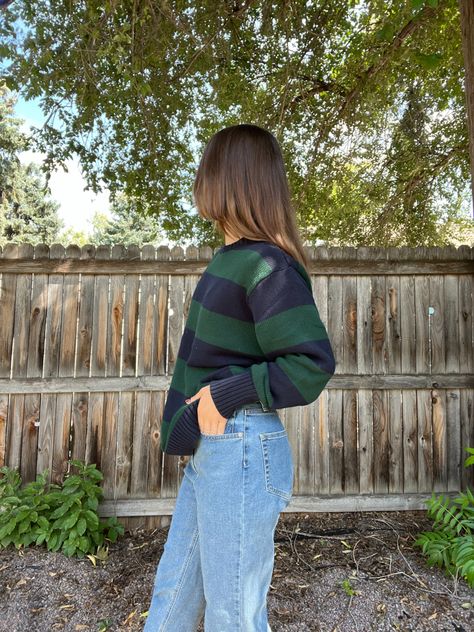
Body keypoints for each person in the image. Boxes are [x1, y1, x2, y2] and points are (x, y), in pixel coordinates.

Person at [144, 123, 336, 631]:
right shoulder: (228, 261)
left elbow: (310, 364)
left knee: (233, 615)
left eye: (206, 167)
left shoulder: (266, 264)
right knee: (173, 595)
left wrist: (224, 397)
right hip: (218, 450)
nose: (198, 179)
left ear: (229, 179)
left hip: (242, 448)